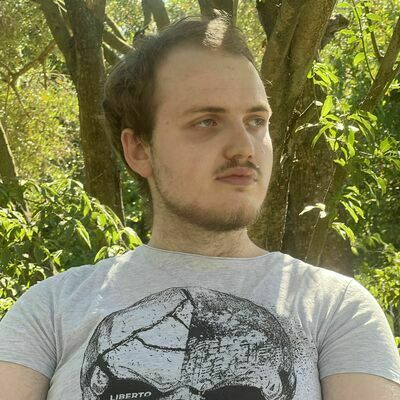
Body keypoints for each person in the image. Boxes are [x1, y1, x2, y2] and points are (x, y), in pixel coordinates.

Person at [0, 15, 399, 400]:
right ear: (139, 149)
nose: (244, 147)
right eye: (207, 121)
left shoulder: (336, 308)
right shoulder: (50, 311)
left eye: (256, 121)